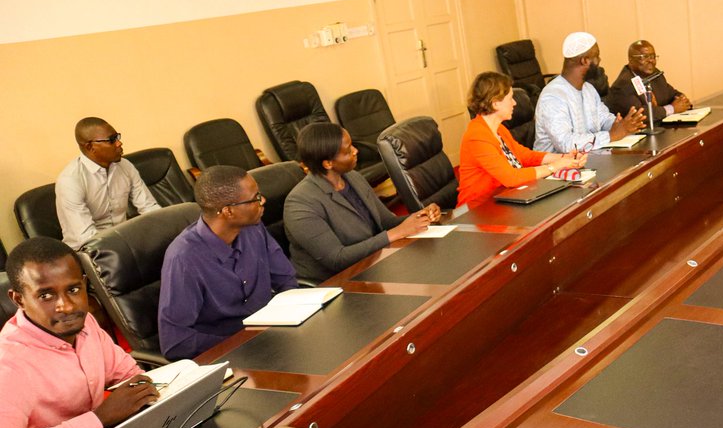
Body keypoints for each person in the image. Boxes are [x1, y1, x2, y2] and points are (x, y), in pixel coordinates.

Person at [1, 237, 159, 428]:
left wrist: (145, 391)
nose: (66, 306)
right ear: (19, 299)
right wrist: (97, 420)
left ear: (84, 284)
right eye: (46, 296)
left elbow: (128, 374)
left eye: (73, 289)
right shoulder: (8, 364)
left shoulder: (83, 323)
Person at [158, 166, 298, 360]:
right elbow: (175, 342)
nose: (263, 201)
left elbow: (286, 280)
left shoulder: (253, 228)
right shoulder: (184, 258)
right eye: (255, 198)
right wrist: (243, 341)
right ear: (228, 211)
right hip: (227, 355)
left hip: (273, 339)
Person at [284, 123, 441, 284]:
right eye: (348, 150)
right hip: (335, 285)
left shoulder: (353, 177)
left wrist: (420, 216)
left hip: (373, 265)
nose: (355, 151)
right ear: (327, 163)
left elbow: (386, 222)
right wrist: (397, 232)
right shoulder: (300, 204)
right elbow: (337, 259)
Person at [458, 72, 588, 207]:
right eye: (510, 99)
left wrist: (565, 158)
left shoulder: (499, 129)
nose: (514, 103)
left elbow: (525, 156)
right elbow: (511, 178)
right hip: (479, 210)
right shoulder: (477, 137)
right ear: (495, 103)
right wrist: (554, 167)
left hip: (506, 198)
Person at [56, 117, 162, 249]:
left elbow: (149, 207)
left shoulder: (125, 166)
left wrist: (166, 230)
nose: (119, 143)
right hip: (88, 252)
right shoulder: (70, 181)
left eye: (117, 137)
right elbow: (88, 238)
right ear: (90, 147)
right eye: (112, 140)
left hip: (123, 241)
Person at [534, 31, 646, 153]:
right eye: (597, 56)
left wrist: (622, 124)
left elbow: (604, 119)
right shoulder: (552, 97)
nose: (600, 60)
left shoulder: (589, 89)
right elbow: (566, 144)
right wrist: (611, 135)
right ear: (585, 61)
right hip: (558, 169)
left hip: (590, 160)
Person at [606, 40, 691, 123]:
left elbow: (672, 94)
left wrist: (682, 100)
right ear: (631, 60)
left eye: (652, 56)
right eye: (644, 57)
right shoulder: (623, 85)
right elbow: (640, 114)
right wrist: (672, 108)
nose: (650, 61)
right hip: (638, 134)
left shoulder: (655, 74)